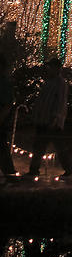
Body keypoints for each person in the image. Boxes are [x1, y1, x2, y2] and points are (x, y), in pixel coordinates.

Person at [27, 57, 72, 179]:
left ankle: (69, 169)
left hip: (52, 121)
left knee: (57, 146)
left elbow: (60, 102)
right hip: (43, 120)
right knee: (40, 146)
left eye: (51, 67)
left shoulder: (60, 83)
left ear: (57, 68)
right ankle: (34, 169)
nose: (49, 69)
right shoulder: (48, 82)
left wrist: (56, 117)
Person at [0, 52, 17, 181]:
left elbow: (7, 104)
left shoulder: (4, 83)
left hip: (1, 122)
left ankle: (11, 176)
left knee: (2, 150)